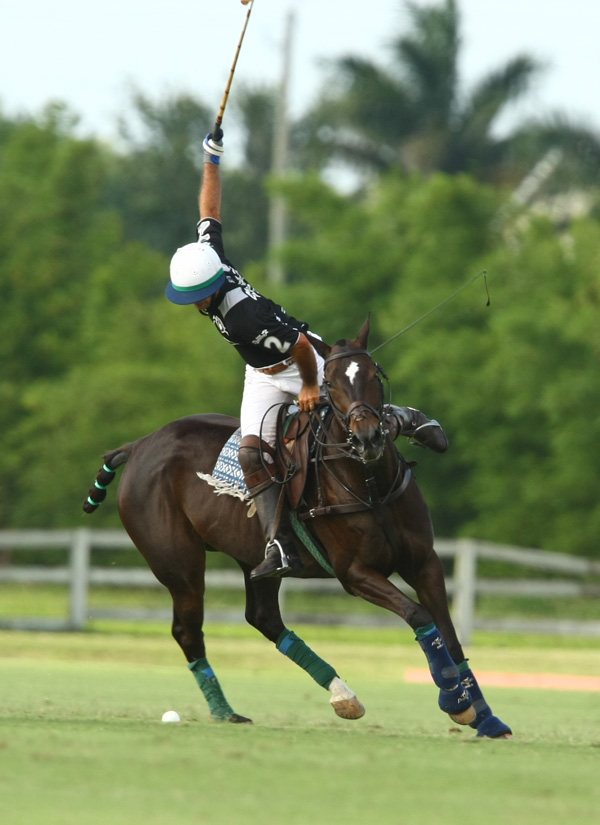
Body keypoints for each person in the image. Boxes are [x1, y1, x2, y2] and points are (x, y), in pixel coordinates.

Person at [165, 129, 448, 580]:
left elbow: (298, 344)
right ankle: (279, 544)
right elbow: (210, 211)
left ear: (214, 286)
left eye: (197, 296)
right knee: (252, 453)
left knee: (350, 425)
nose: (195, 304)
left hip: (303, 364)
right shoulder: (209, 257)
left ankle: (404, 418)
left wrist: (313, 387)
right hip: (261, 369)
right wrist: (211, 160)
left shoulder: (244, 317)